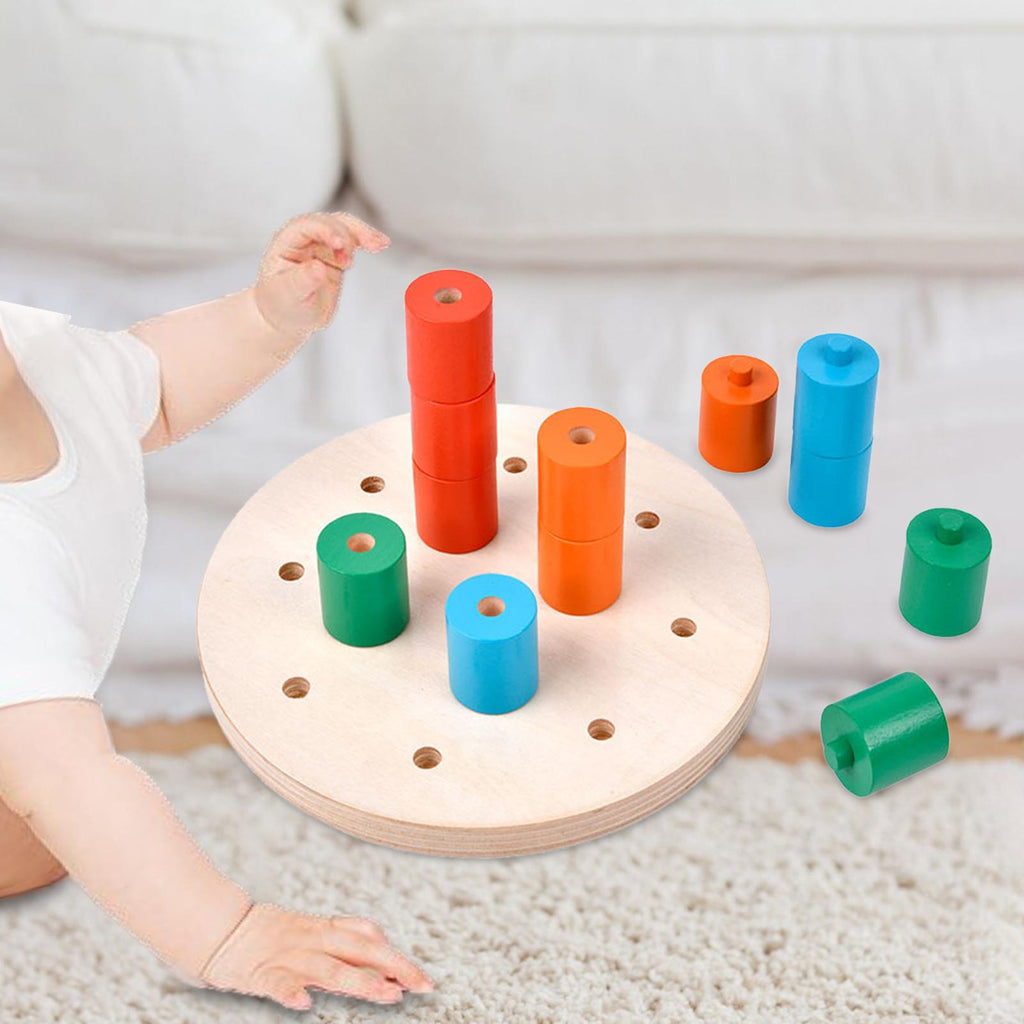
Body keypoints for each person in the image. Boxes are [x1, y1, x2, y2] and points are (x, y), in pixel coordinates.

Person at [0, 212, 434, 1011]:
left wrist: (264, 318)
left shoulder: (34, 359)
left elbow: (155, 388)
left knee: (40, 829)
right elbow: (68, 779)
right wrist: (228, 934)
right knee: (43, 810)